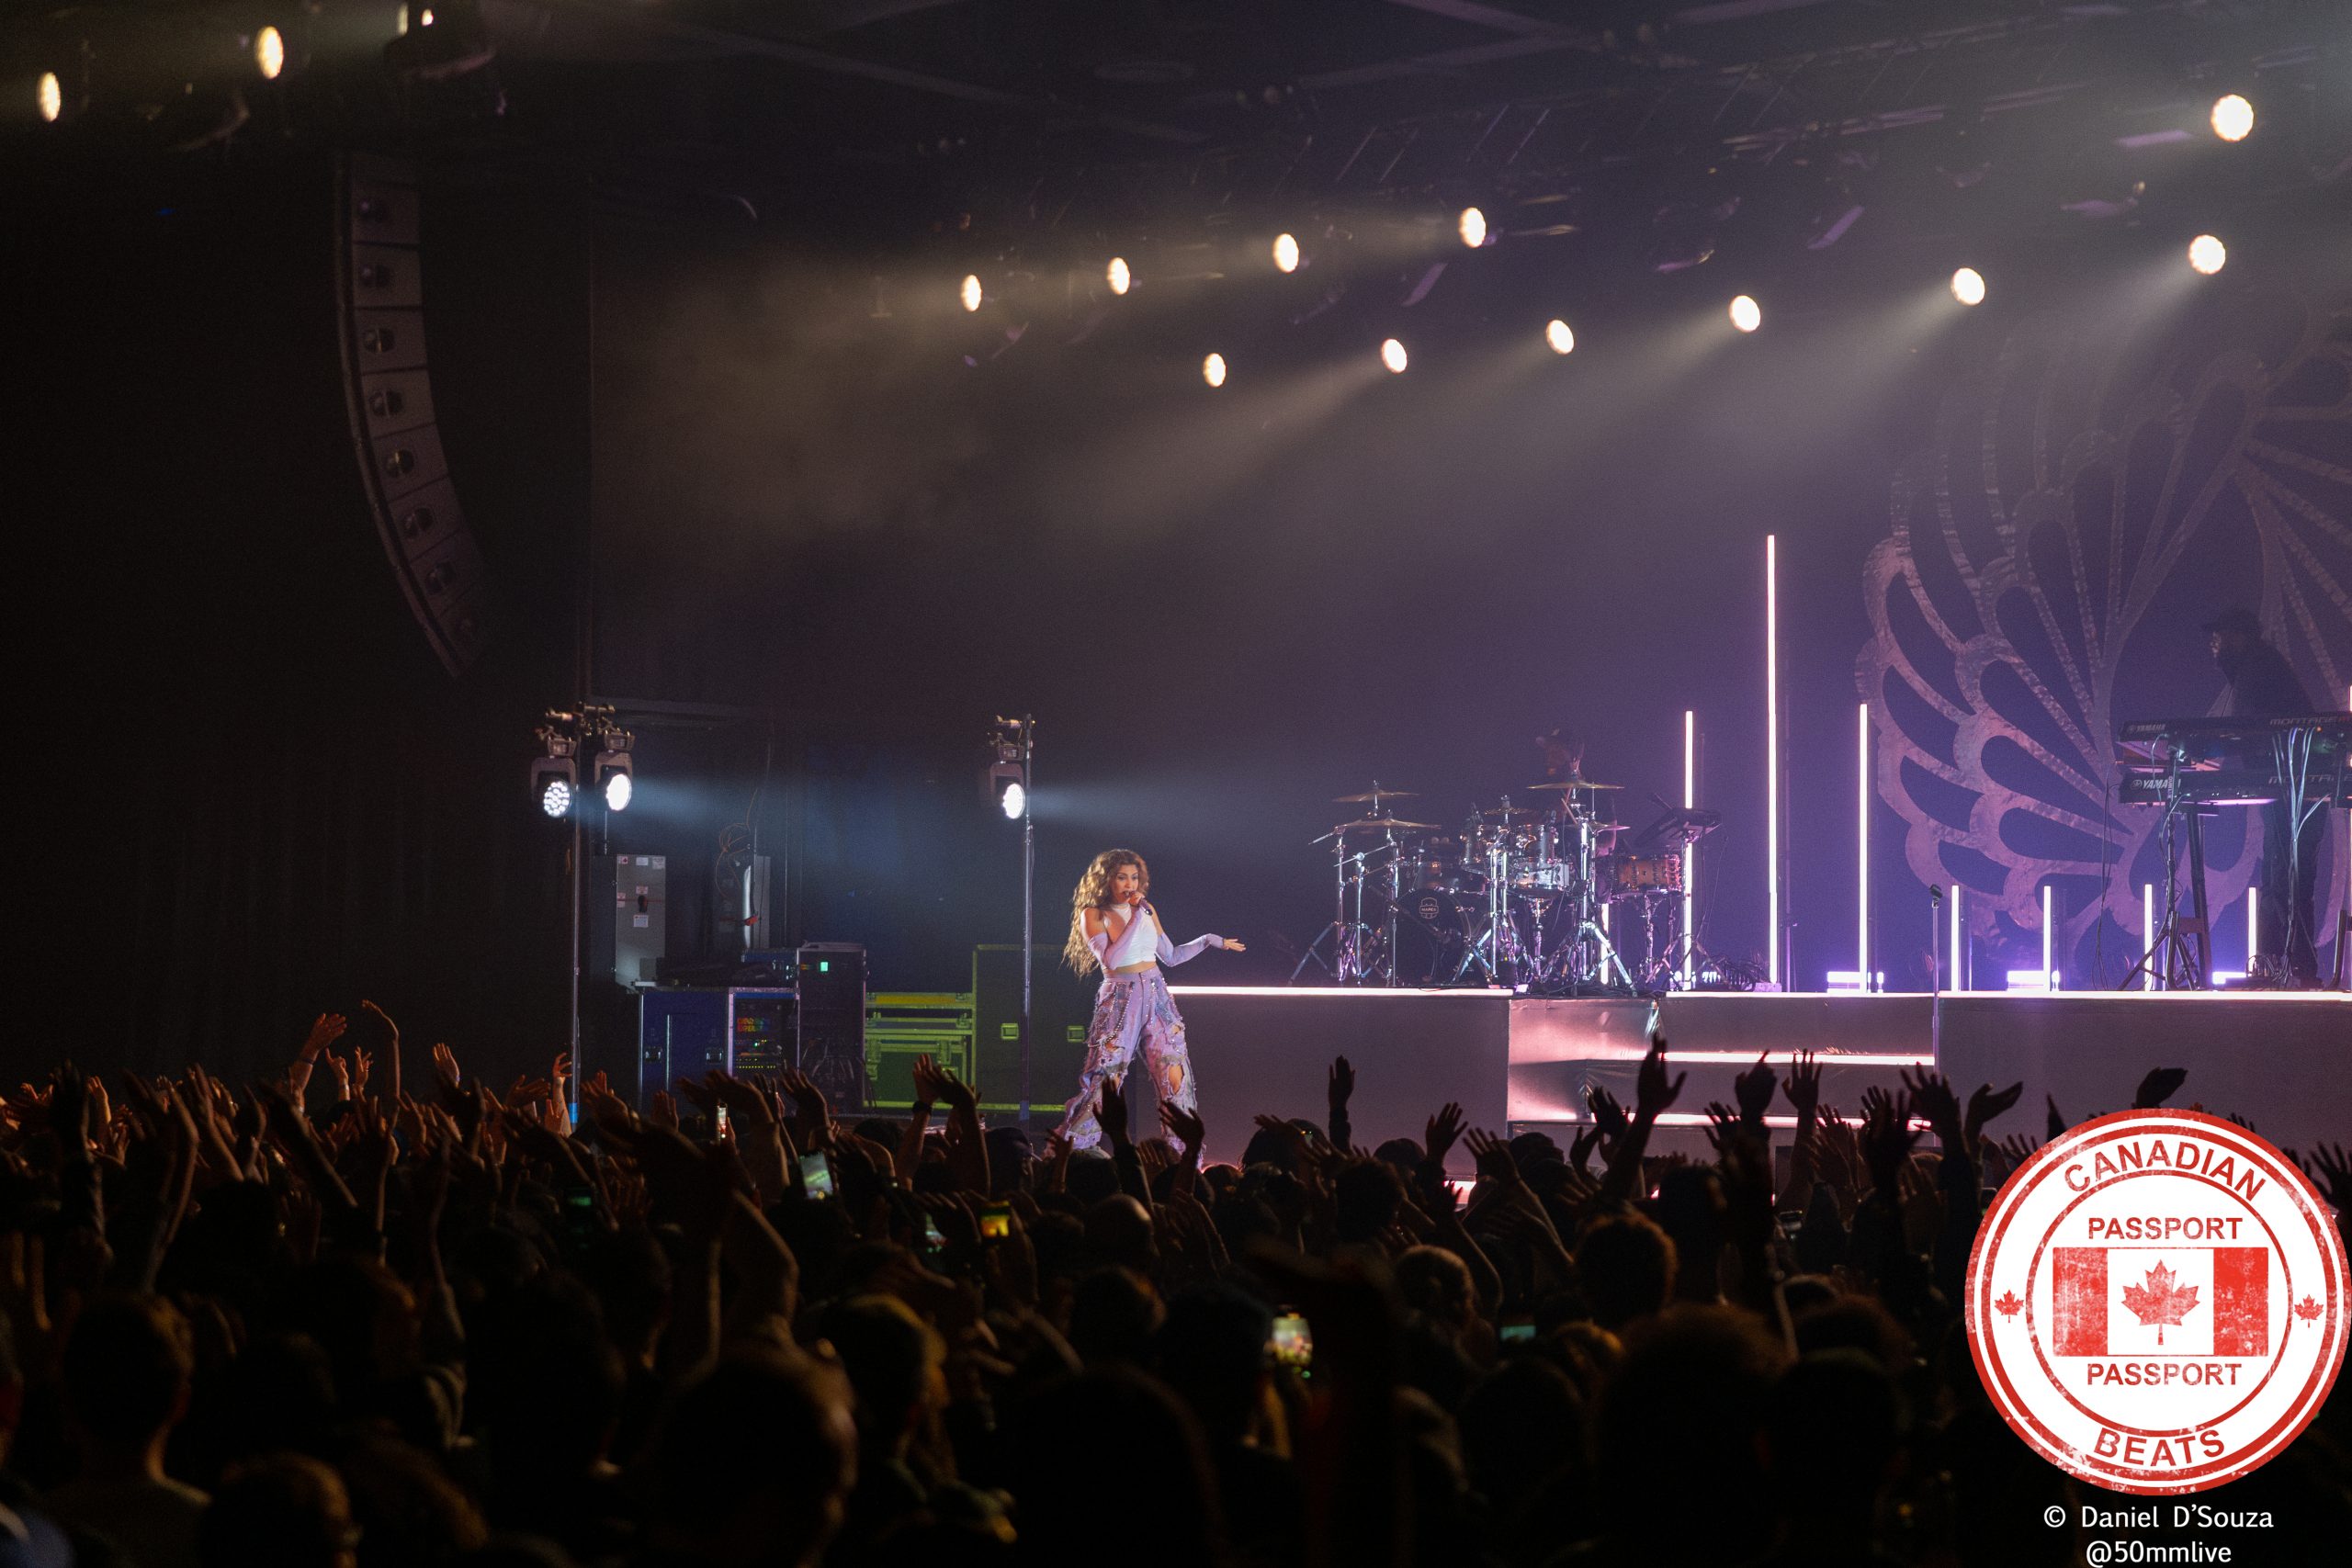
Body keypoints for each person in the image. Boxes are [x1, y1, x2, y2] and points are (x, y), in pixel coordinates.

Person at [1057, 849, 1244, 1153]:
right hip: (1121, 999)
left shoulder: (1147, 911)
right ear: (1107, 880)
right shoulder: (1094, 914)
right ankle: (1071, 1157)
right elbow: (1112, 959)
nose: (1130, 884)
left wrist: (1208, 940)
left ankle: (1183, 1161)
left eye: (1134, 877)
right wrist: (1133, 918)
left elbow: (1170, 956)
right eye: (1121, 877)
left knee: (1175, 1079)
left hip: (1157, 995)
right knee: (1105, 1080)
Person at [2204, 606, 2325, 985]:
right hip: (2289, 785)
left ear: (2240, 636)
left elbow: (2247, 728)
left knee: (2287, 874)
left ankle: (2291, 968)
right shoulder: (2257, 665)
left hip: (2293, 786)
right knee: (2282, 873)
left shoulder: (2257, 666)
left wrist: (2206, 753)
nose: (2214, 647)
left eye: (2219, 638)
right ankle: (2284, 966)